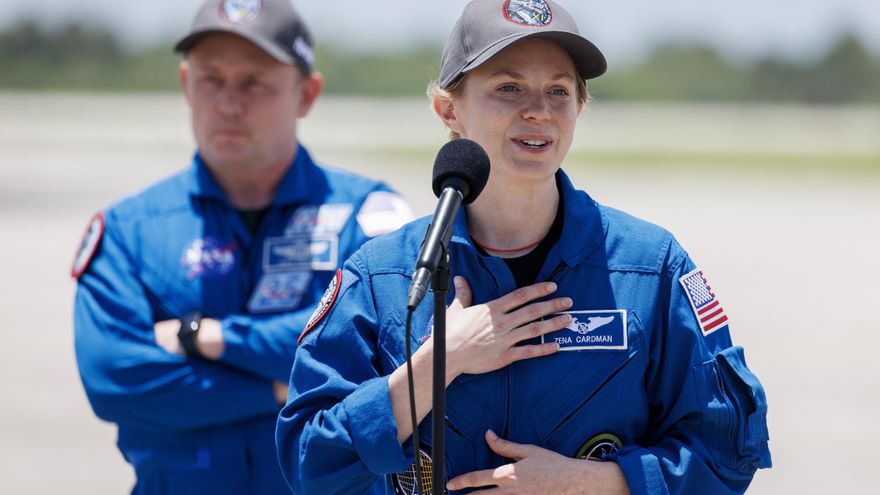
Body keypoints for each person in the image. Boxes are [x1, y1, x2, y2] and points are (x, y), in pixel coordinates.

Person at [277, 0, 772, 494]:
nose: (538, 111)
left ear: (579, 108)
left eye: (558, 91)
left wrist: (589, 483)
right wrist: (439, 362)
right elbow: (308, 461)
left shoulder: (649, 267)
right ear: (449, 110)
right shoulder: (382, 276)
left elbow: (728, 452)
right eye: (508, 88)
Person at [71, 0, 413, 493]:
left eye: (254, 83)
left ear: (306, 94)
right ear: (186, 84)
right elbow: (115, 380)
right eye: (212, 80)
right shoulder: (129, 231)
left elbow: (387, 350)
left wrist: (208, 338)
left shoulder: (368, 217)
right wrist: (282, 386)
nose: (229, 104)